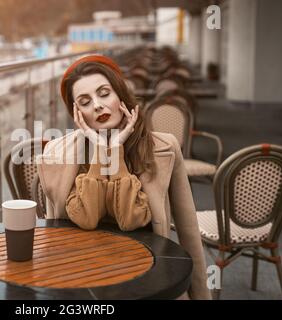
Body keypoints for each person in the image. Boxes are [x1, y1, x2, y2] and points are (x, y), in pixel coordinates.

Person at [36, 55, 211, 300]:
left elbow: (183, 228)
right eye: (85, 101)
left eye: (104, 93)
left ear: (120, 94)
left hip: (149, 278)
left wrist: (200, 295)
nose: (97, 105)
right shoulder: (56, 153)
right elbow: (79, 222)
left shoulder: (165, 147)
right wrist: (101, 150)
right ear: (77, 114)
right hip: (80, 278)